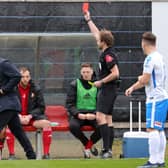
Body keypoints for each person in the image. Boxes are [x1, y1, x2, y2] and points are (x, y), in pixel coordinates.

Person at [125, 32, 167, 168]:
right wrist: (133, 87)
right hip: (162, 97)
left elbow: (145, 79)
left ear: (144, 44)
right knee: (159, 129)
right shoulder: (160, 57)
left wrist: (138, 79)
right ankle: (160, 160)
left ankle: (153, 161)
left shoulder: (149, 59)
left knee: (152, 129)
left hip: (154, 98)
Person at [84, 11, 120, 158]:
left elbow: (116, 73)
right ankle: (109, 150)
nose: (96, 40)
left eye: (99, 40)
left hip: (108, 89)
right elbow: (96, 33)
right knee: (108, 119)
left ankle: (106, 150)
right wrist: (88, 20)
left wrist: (101, 81)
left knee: (100, 117)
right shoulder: (105, 50)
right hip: (109, 90)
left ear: (103, 42)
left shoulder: (108, 55)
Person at [6, 66, 52, 160]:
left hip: (32, 118)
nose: (25, 79)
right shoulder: (12, 88)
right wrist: (18, 115)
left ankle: (46, 154)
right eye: (23, 77)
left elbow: (41, 107)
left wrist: (30, 116)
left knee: (47, 124)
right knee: (8, 125)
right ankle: (11, 155)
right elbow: (8, 104)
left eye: (27, 76)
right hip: (16, 118)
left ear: (30, 77)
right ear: (19, 77)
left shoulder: (36, 89)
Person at [0, 58, 36, 160]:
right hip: (6, 106)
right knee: (19, 132)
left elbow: (17, 75)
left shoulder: (3, 63)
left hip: (7, 105)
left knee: (18, 132)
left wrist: (3, 90)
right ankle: (31, 156)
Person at [66, 63, 101, 159]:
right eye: (84, 72)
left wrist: (95, 114)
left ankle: (87, 147)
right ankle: (87, 144)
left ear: (92, 72)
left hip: (93, 114)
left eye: (88, 72)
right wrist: (78, 114)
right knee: (73, 126)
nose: (86, 74)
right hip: (79, 114)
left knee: (103, 127)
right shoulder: (74, 84)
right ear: (81, 73)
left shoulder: (98, 84)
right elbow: (69, 104)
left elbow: (101, 103)